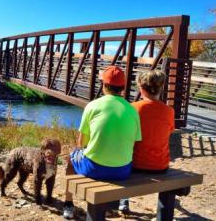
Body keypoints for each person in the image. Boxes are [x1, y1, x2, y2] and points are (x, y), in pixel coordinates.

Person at [63, 66, 142, 219]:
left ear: (104, 85)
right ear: (123, 88)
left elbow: (81, 142)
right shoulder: (132, 110)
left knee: (71, 158)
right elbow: (134, 142)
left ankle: (68, 204)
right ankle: (121, 201)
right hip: (123, 171)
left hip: (95, 169)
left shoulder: (92, 106)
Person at [118, 70, 175, 212]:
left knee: (123, 153)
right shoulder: (169, 111)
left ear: (141, 89)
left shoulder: (133, 108)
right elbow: (169, 131)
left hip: (135, 166)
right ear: (161, 88)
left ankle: (123, 200)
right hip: (161, 167)